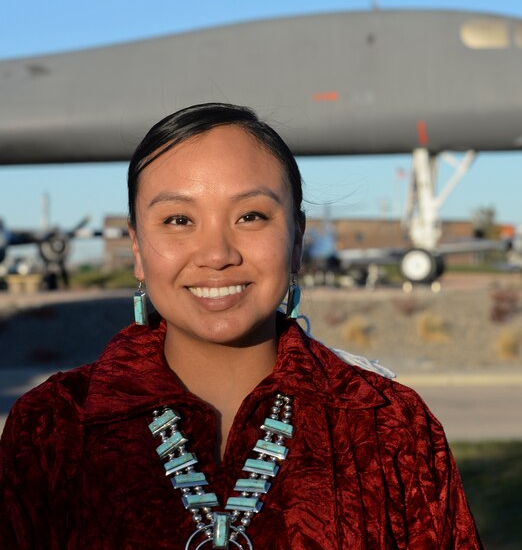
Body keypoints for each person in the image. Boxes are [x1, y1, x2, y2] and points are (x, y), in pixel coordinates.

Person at [0, 103, 483, 549]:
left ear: (296, 239)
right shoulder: (52, 428)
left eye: (251, 216)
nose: (217, 254)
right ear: (137, 250)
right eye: (178, 219)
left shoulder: (389, 425)